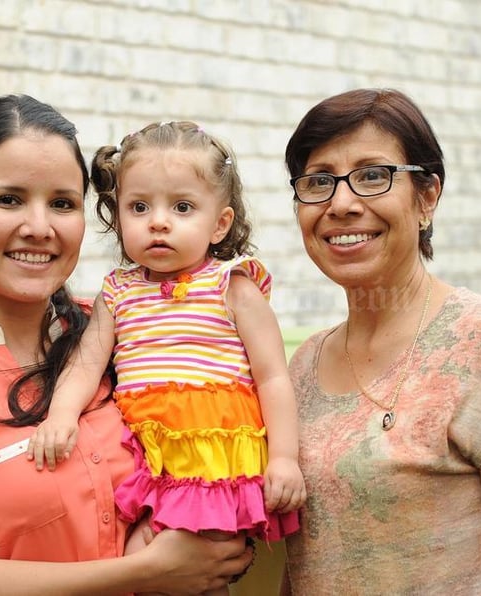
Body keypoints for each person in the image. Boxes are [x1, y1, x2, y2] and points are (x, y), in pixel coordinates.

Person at [0, 95, 253, 595]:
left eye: (63, 204)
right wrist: (150, 570)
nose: (40, 228)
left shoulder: (125, 331)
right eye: (8, 199)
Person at [281, 88, 481, 595]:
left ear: (427, 197)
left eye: (373, 175)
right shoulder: (302, 365)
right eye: (319, 180)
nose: (341, 203)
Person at [27, 121, 305, 594]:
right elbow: (88, 362)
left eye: (182, 207)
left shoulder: (231, 285)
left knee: (198, 568)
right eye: (139, 207)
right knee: (148, 563)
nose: (158, 221)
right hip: (146, 456)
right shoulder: (119, 290)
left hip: (210, 458)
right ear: (118, 215)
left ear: (220, 223)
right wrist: (60, 415)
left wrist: (284, 458)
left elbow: (273, 377)